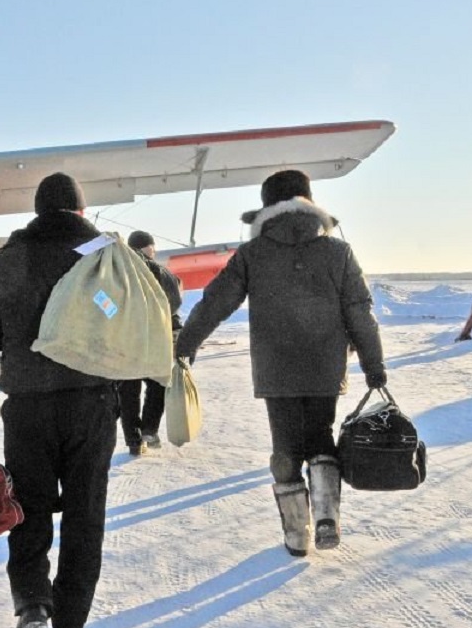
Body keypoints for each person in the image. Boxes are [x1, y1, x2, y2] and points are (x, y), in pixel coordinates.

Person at [0, 172, 117, 628]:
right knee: (85, 511)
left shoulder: (6, 263)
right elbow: (130, 321)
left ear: (37, 212)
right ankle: (71, 623)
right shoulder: (105, 259)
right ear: (79, 211)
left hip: (28, 409)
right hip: (91, 402)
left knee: (29, 509)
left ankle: (33, 604)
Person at [174, 169, 385, 557]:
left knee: (285, 445)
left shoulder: (253, 254)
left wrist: (186, 344)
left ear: (267, 208)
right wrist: (374, 364)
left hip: (276, 366)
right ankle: (326, 517)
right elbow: (359, 311)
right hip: (325, 364)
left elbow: (216, 302)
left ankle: (296, 534)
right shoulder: (338, 252)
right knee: (321, 433)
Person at [117, 230, 183, 456]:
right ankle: (149, 429)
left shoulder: (119, 273)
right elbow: (173, 307)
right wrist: (177, 336)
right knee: (158, 384)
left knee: (128, 392)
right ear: (148, 248)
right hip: (154, 342)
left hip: (126, 343)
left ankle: (134, 440)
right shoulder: (160, 273)